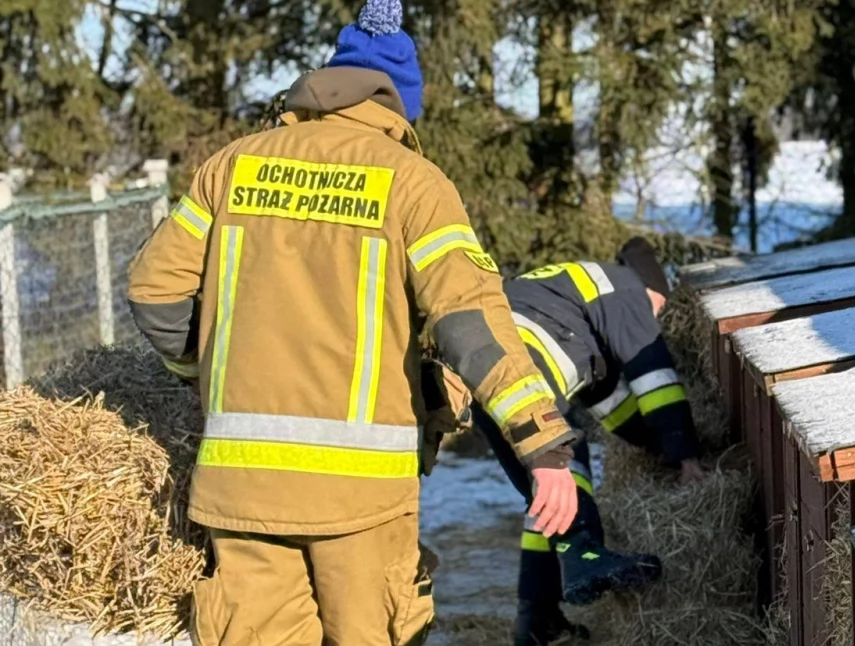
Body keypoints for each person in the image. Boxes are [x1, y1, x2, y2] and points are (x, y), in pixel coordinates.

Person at [125, 1, 581, 643]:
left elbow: (153, 291)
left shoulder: (232, 166)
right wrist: (542, 443)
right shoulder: (413, 184)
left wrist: (203, 373)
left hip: (241, 487)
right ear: (399, 107)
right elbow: (469, 318)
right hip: (360, 499)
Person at [470, 236, 707, 645]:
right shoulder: (629, 290)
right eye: (659, 313)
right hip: (525, 365)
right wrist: (687, 458)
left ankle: (536, 618)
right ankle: (587, 557)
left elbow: (613, 408)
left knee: (544, 491)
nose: (655, 325)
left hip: (479, 369)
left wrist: (657, 449)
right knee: (564, 453)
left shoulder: (577, 300)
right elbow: (654, 378)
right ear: (655, 291)